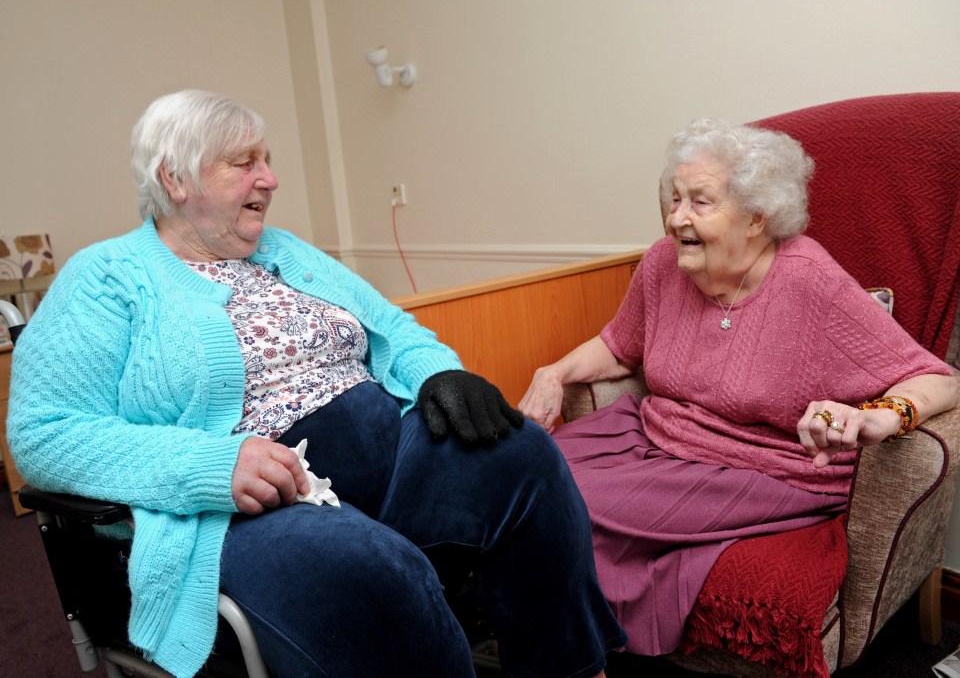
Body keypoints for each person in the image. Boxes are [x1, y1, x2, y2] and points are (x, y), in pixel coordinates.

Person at [8, 89, 626, 678]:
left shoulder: (285, 250)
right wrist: (211, 464)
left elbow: (390, 327)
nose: (270, 178)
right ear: (175, 179)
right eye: (244, 162)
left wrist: (440, 372)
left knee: (521, 457)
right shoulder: (106, 279)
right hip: (254, 504)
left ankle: (570, 671)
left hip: (390, 457)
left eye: (268, 159)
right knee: (370, 574)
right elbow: (41, 432)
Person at [519, 118, 958, 658]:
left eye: (699, 202)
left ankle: (565, 650)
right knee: (519, 465)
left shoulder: (808, 281)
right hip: (658, 440)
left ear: (755, 218)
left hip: (764, 468)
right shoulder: (662, 264)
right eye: (674, 197)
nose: (675, 216)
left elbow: (937, 378)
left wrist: (885, 415)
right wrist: (554, 373)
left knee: (560, 498)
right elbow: (618, 346)